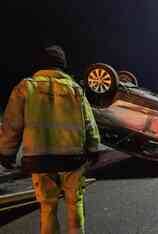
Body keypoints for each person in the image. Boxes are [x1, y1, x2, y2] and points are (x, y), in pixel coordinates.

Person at [0, 45, 100, 234]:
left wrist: (6, 153)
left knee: (47, 207)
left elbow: (11, 124)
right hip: (73, 159)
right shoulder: (75, 89)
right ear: (62, 66)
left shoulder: (26, 87)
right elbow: (89, 122)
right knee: (75, 203)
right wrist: (93, 148)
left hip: (40, 159)